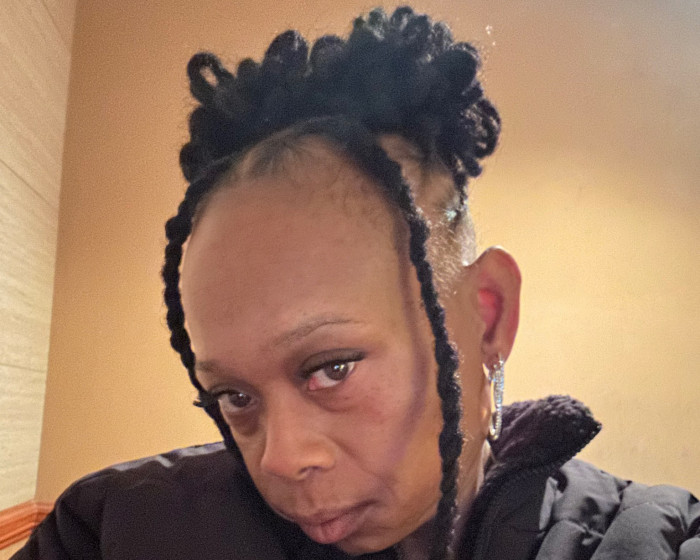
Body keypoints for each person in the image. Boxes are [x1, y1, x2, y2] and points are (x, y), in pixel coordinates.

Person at [13, 6, 699, 560]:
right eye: (235, 397)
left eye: (331, 368)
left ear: (488, 317)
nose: (281, 459)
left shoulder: (655, 540)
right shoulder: (111, 531)